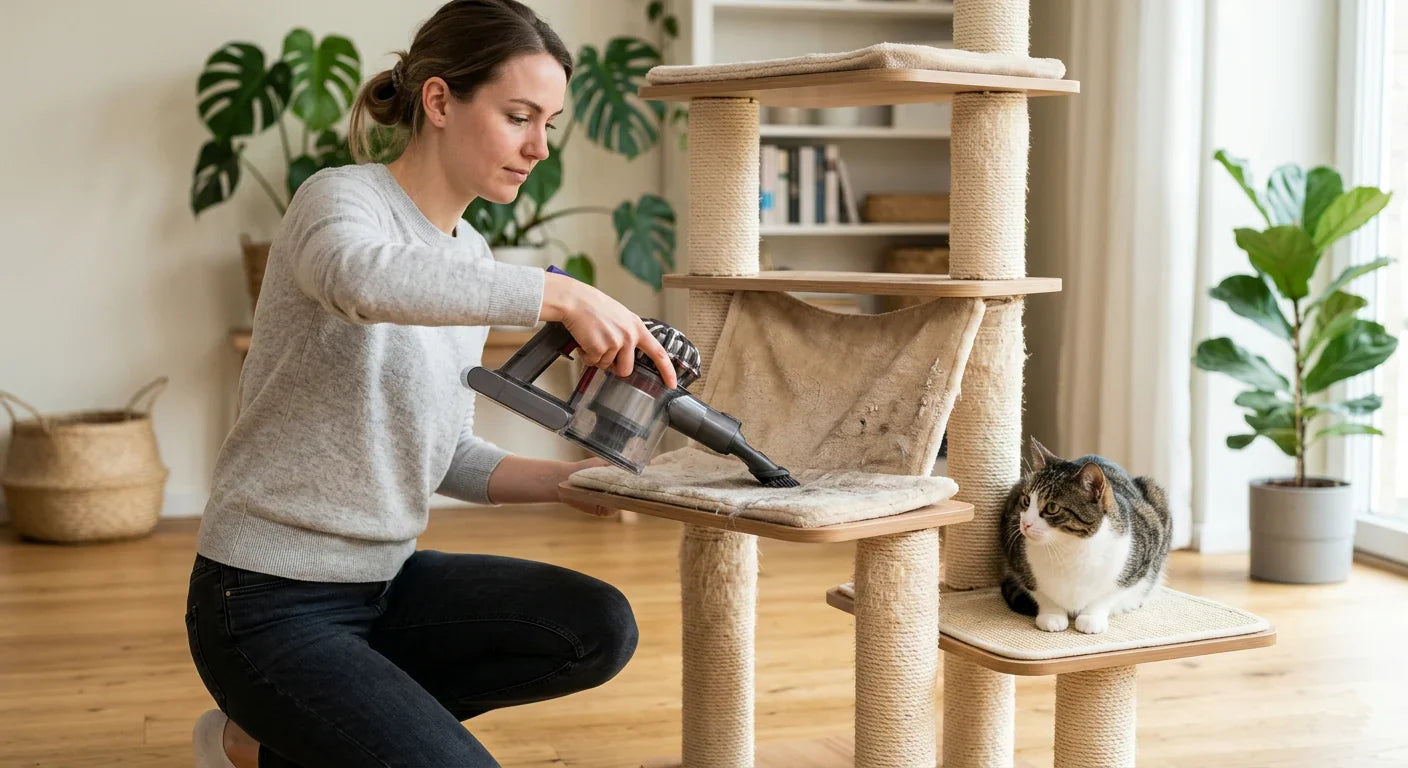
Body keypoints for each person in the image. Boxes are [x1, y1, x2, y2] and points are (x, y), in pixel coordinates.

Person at [185, 2, 678, 765]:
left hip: (387, 585)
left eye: (549, 123)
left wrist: (572, 481)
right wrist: (558, 294)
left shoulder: (471, 257)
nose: (539, 146)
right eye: (519, 116)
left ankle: (264, 745)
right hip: (263, 600)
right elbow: (358, 279)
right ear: (440, 101)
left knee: (597, 626)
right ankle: (278, 726)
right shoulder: (341, 200)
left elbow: (443, 451)